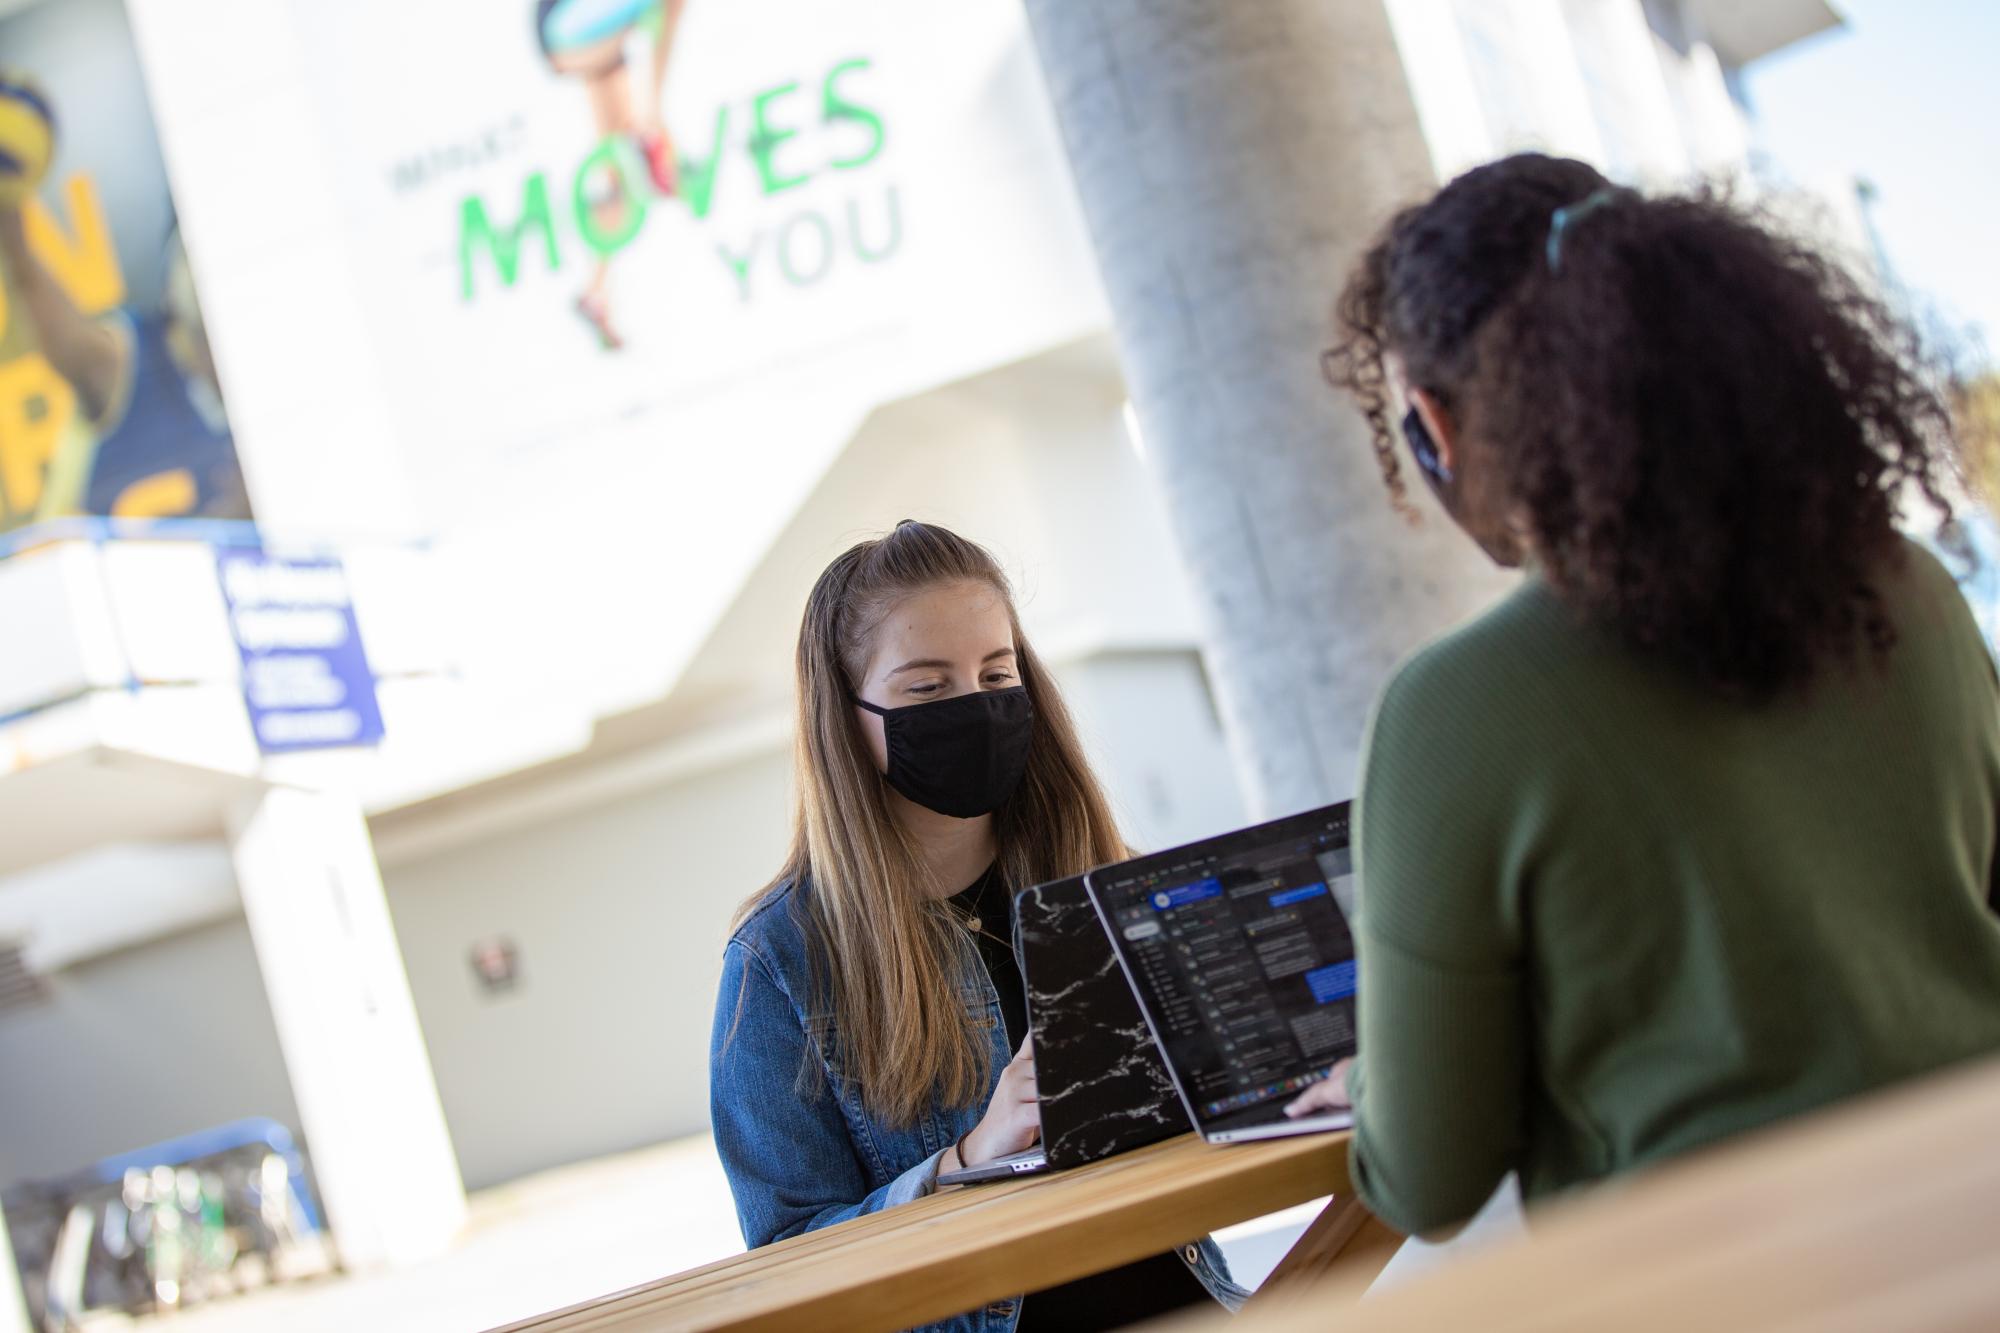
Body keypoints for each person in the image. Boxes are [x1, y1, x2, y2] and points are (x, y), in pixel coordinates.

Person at [1283, 153, 2000, 1239]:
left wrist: (1384, 1084)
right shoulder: (1916, 591)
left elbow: (1427, 1182)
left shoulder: (1456, 711)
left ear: (1437, 424)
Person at [709, 521, 1247, 1332]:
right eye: (927, 687)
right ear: (843, 715)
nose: (976, 705)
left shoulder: (1106, 873)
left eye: (997, 673)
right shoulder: (779, 961)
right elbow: (791, 1268)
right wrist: (968, 1159)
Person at [532, 0, 689, 349]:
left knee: (619, 163)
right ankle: (652, 120)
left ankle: (596, 290)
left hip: (580, 30)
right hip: (570, 24)